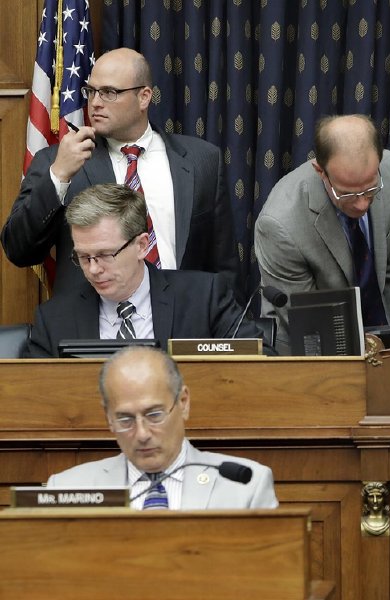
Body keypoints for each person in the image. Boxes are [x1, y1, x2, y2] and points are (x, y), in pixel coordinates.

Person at [3, 48, 238, 295]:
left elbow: (225, 269)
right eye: (91, 91)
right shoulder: (57, 160)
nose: (95, 103)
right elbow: (19, 249)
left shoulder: (202, 160)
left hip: (181, 313)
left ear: (144, 97)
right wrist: (59, 176)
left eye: (109, 92)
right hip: (95, 316)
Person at [25, 184, 265, 358]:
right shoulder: (55, 318)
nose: (94, 269)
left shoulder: (204, 298)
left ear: (141, 245)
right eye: (84, 257)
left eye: (106, 255)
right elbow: (32, 393)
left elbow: (262, 362)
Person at [47, 346, 278, 510]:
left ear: (183, 403)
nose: (142, 434)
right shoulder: (67, 490)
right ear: (108, 417)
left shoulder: (246, 486)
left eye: (154, 415)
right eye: (125, 419)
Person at [255, 115, 390, 354]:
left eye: (370, 190)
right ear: (321, 171)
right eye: (347, 194)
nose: (361, 204)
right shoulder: (280, 224)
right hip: (313, 348)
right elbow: (310, 322)